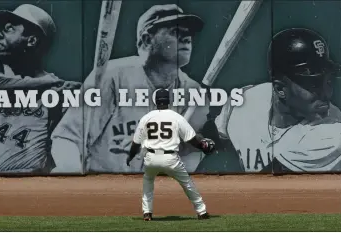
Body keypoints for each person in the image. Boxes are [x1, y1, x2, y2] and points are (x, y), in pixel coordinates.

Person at [50, 4, 218, 173]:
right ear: (146, 40)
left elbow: (187, 159)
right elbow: (66, 139)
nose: (186, 38)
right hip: (102, 184)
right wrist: (74, 177)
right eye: (175, 32)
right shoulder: (113, 75)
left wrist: (195, 148)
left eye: (188, 33)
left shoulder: (193, 92)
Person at [203, 28, 341, 173]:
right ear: (280, 88)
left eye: (328, 82)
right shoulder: (246, 100)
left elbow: (265, 188)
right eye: (314, 85)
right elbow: (212, 138)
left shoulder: (331, 135)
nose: (326, 93)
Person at [0, 4, 81, 174]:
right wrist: (49, 84)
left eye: (9, 29)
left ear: (31, 41)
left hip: (31, 181)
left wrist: (83, 97)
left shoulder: (57, 91)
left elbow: (63, 140)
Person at [126, 89, 215, 220]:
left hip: (151, 158)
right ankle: (201, 211)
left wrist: (130, 156)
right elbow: (191, 140)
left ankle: (147, 213)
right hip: (170, 158)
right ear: (169, 101)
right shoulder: (176, 117)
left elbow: (136, 143)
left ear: (155, 101)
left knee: (148, 181)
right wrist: (202, 146)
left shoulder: (147, 117)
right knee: (187, 183)